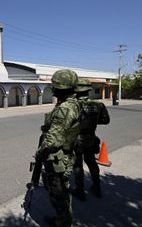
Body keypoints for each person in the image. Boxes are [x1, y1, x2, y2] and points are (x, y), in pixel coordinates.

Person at [34, 69, 82, 227]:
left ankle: (62, 221)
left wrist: (39, 153)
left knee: (58, 194)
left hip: (57, 159)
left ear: (60, 88)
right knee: (63, 191)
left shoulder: (65, 108)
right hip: (64, 155)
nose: (52, 89)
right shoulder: (73, 104)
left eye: (54, 86)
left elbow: (53, 140)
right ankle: (64, 219)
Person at [72, 78, 110, 200]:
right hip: (90, 138)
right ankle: (97, 187)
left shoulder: (72, 106)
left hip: (76, 139)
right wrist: (92, 121)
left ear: (76, 91)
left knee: (77, 165)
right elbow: (105, 120)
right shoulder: (98, 104)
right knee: (91, 162)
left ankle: (80, 191)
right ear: (88, 90)